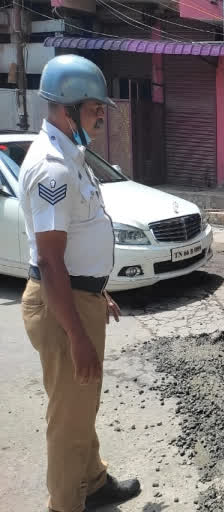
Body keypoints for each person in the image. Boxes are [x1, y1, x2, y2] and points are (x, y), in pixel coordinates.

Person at [19, 54, 141, 512]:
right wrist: (76, 334)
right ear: (67, 108)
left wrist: (97, 289)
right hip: (60, 305)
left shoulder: (72, 154)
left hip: (79, 296)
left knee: (83, 402)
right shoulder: (53, 166)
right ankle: (65, 504)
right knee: (69, 417)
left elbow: (76, 243)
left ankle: (92, 480)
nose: (100, 117)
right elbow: (50, 262)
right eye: (94, 109)